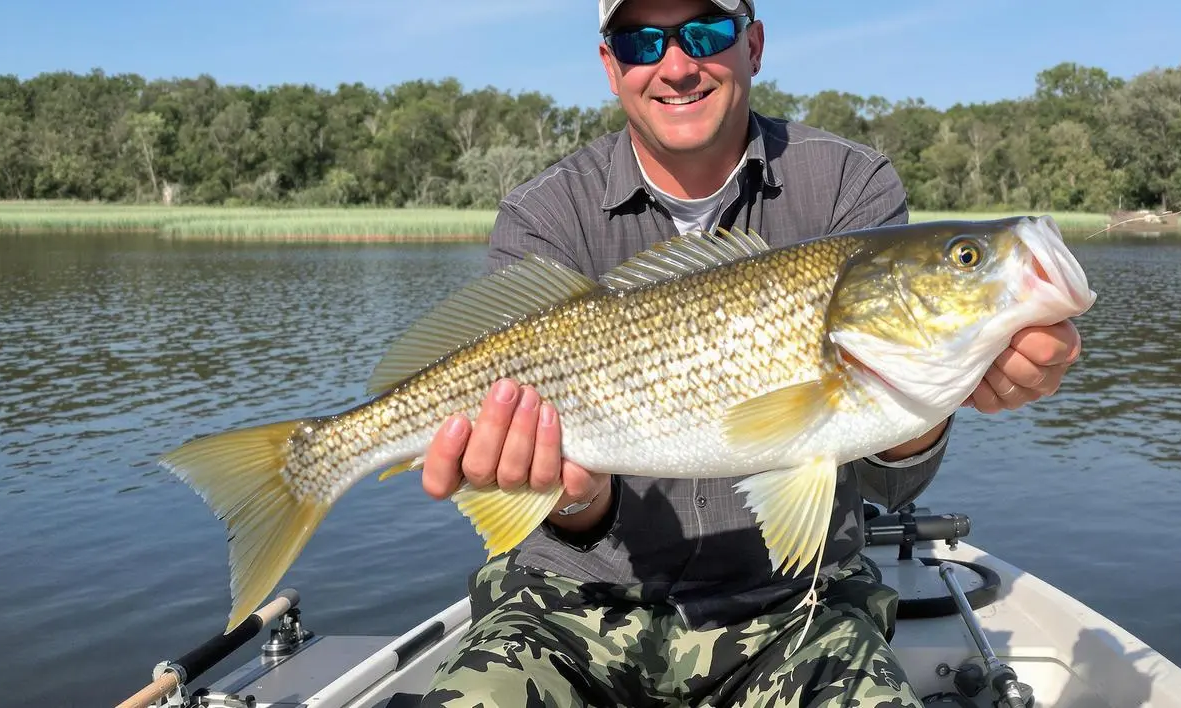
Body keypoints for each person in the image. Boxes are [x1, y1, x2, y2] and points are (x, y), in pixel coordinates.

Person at [417, 0, 1083, 705]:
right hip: (574, 602)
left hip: (797, 607)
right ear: (612, 66)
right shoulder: (544, 213)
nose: (676, 66)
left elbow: (888, 478)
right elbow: (559, 508)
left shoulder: (850, 185)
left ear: (754, 44)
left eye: (705, 33)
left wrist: (946, 391)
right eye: (642, 42)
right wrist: (570, 501)